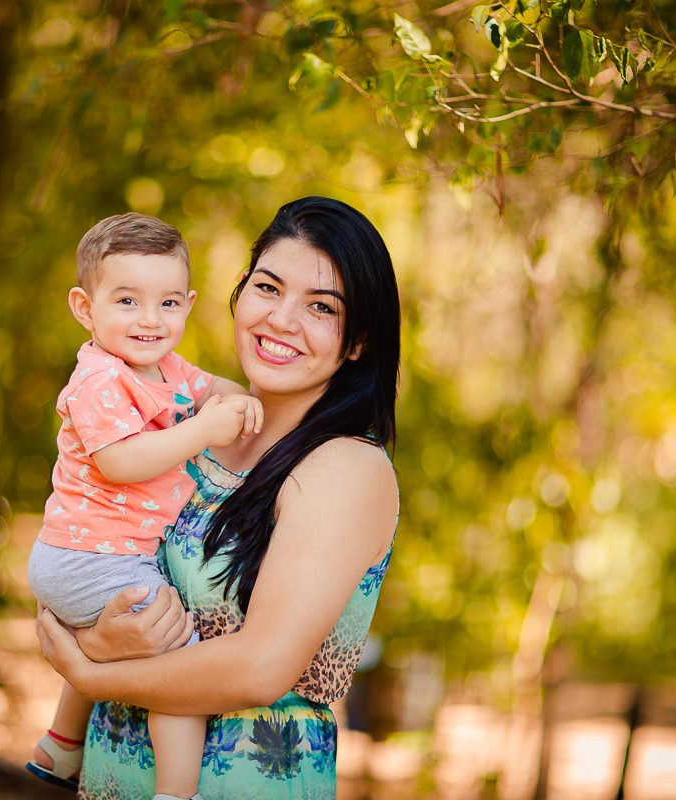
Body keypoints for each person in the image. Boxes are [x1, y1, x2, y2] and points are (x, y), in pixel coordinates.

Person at [35, 196, 401, 799]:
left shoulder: (345, 468)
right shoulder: (193, 429)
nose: (282, 319)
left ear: (359, 339)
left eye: (321, 307)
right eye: (267, 287)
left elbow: (260, 669)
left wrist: (91, 673)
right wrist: (98, 643)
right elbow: (89, 553)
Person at [26, 213, 263, 800]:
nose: (150, 320)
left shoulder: (166, 369)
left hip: (100, 554)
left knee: (115, 635)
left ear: (188, 304)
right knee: (175, 657)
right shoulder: (99, 379)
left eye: (167, 303)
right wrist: (206, 430)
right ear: (85, 308)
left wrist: (245, 404)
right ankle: (174, 793)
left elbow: (215, 391)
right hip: (87, 558)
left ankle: (60, 746)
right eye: (127, 300)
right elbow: (123, 461)